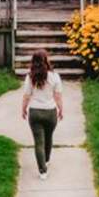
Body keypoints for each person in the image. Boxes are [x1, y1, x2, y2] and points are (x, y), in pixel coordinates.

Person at [21, 49, 63, 180]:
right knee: (49, 137)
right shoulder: (55, 76)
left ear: (33, 62)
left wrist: (23, 109)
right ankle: (46, 160)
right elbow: (58, 96)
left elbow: (26, 96)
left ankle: (42, 171)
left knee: (39, 142)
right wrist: (61, 109)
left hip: (35, 112)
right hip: (50, 112)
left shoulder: (30, 77)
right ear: (46, 60)